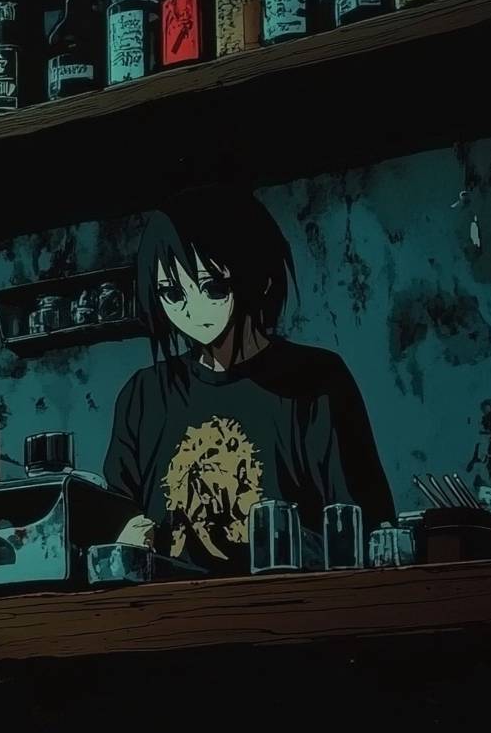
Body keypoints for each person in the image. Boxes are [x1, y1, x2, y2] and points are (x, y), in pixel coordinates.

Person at [104, 185, 394, 574]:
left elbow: (361, 527)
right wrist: (124, 542)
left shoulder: (317, 380)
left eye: (212, 287)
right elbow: (117, 526)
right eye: (172, 293)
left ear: (260, 279)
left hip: (292, 602)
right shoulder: (144, 395)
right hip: (171, 607)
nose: (192, 310)